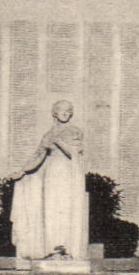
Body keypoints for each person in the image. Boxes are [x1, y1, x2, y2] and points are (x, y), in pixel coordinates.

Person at [10, 99, 88, 260]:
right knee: (50, 209)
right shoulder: (48, 134)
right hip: (51, 173)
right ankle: (52, 247)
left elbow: (73, 153)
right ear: (55, 113)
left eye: (69, 110)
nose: (66, 113)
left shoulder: (74, 131)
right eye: (62, 110)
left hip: (68, 173)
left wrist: (58, 141)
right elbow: (38, 155)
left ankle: (65, 248)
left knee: (66, 208)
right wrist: (23, 171)